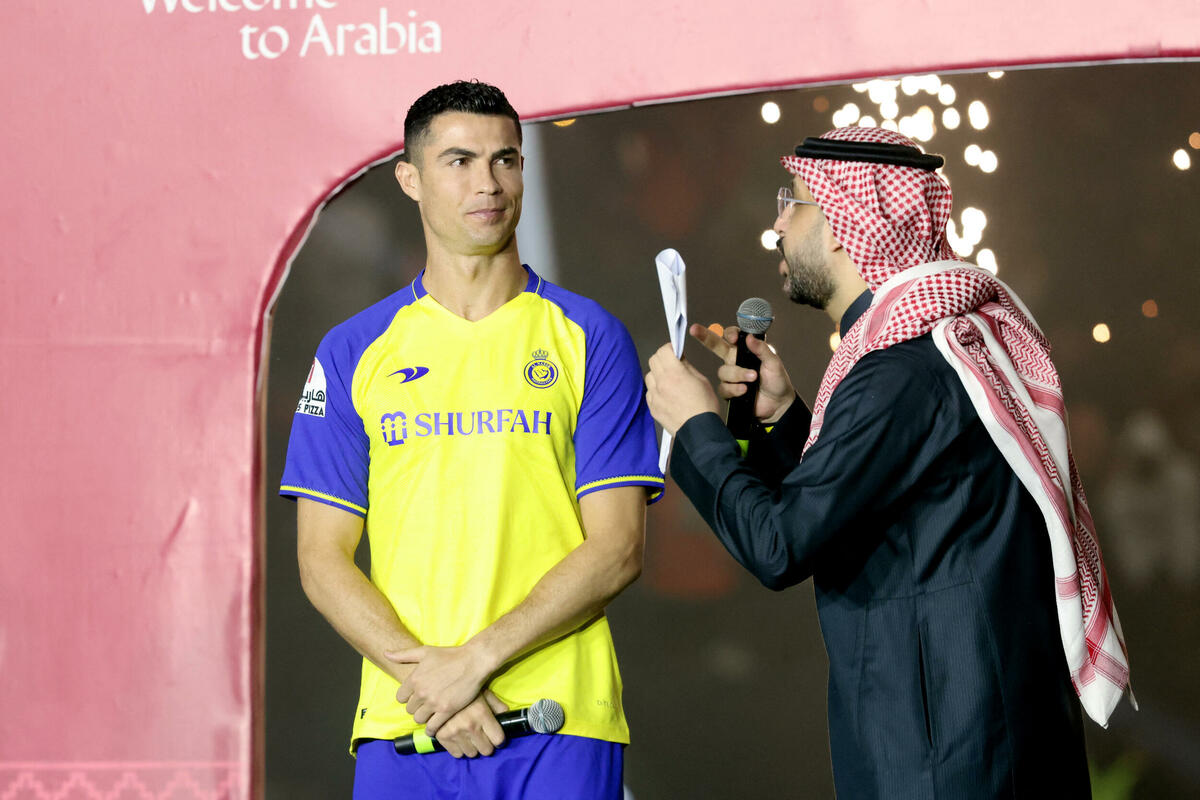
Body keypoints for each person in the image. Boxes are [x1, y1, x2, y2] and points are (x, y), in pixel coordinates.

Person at [644, 126, 1132, 798]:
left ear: (846, 223)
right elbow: (876, 511)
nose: (777, 225)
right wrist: (782, 418)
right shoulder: (937, 348)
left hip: (948, 761)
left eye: (794, 202)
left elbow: (780, 545)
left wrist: (695, 425)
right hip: (981, 746)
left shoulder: (900, 372)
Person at [280, 80, 663, 799]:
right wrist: (434, 687)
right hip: (406, 722)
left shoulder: (590, 336)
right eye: (458, 161)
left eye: (505, 160)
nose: (488, 183)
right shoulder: (351, 350)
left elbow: (618, 547)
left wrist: (472, 664)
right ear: (410, 179)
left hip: (558, 720)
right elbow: (320, 558)